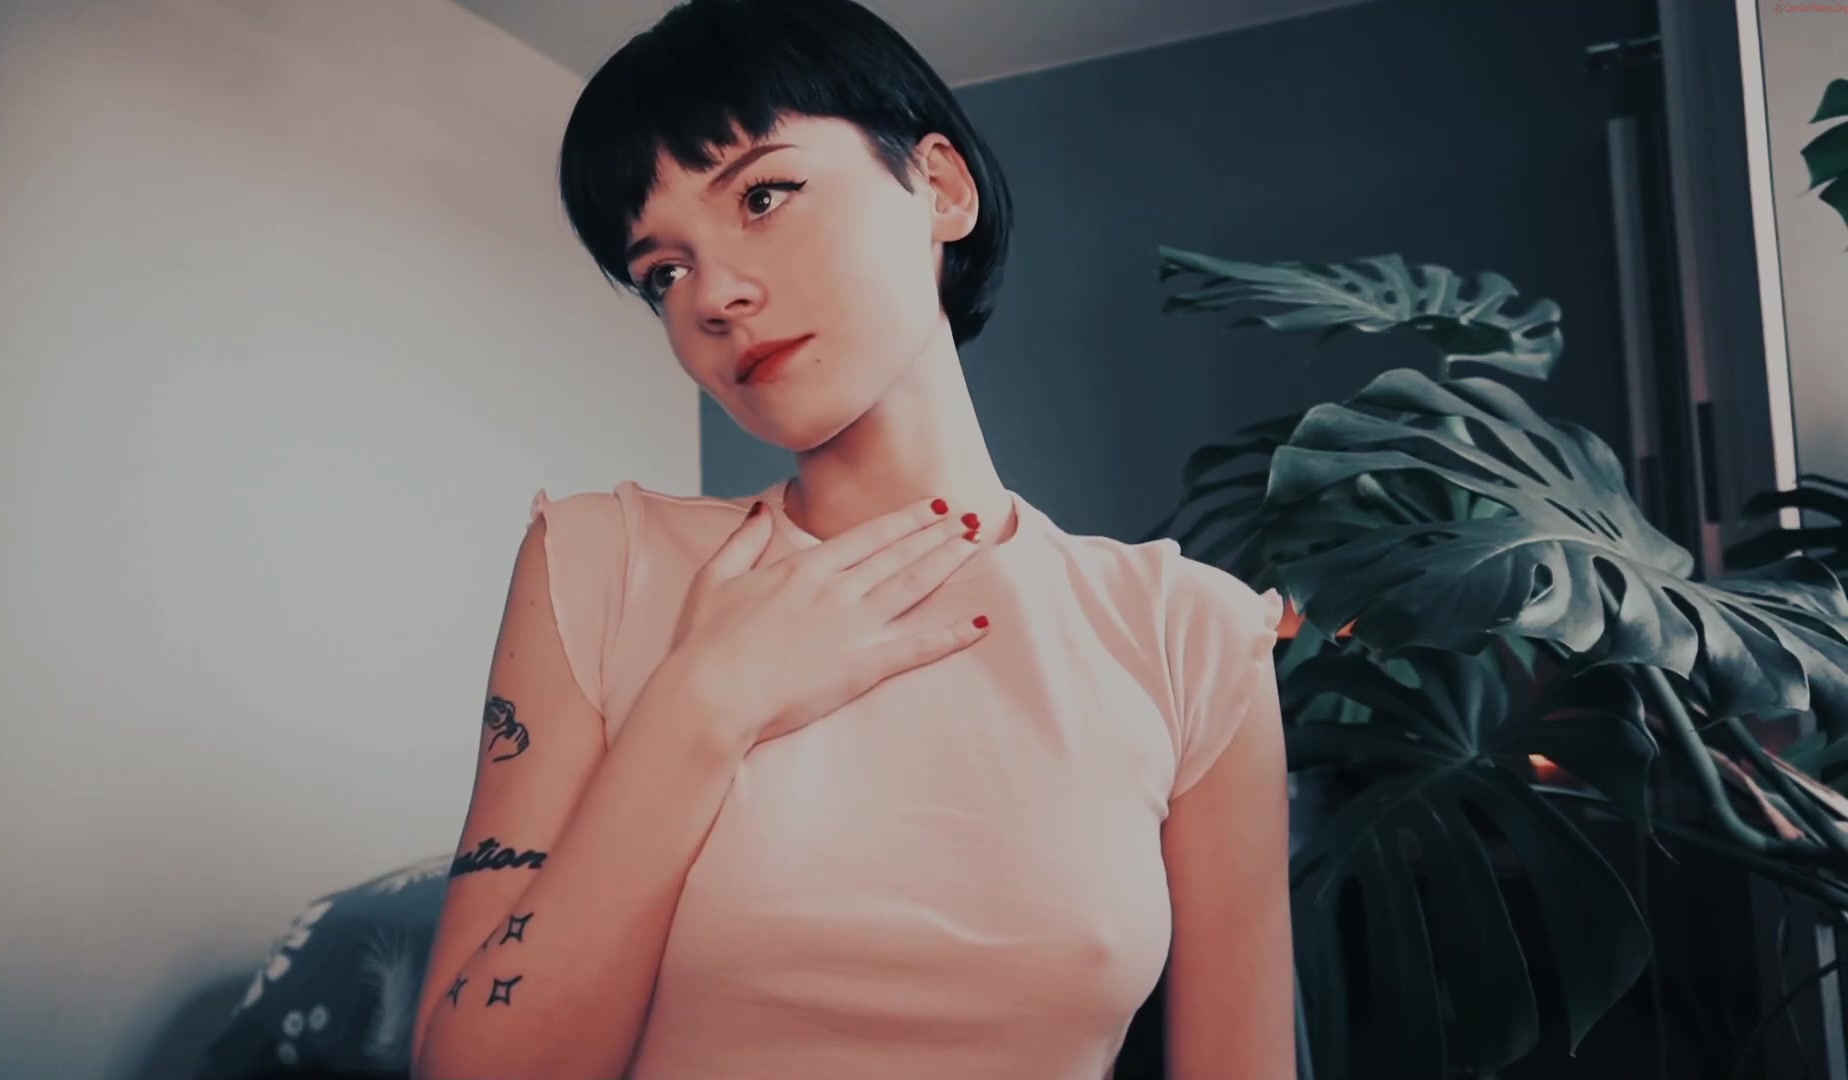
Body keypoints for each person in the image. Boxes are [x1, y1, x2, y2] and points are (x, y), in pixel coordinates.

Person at [408, 1, 1293, 1077]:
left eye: (763, 196)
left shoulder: (1190, 633)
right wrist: (701, 707)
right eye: (663, 273)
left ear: (942, 188)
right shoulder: (597, 562)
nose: (715, 296)